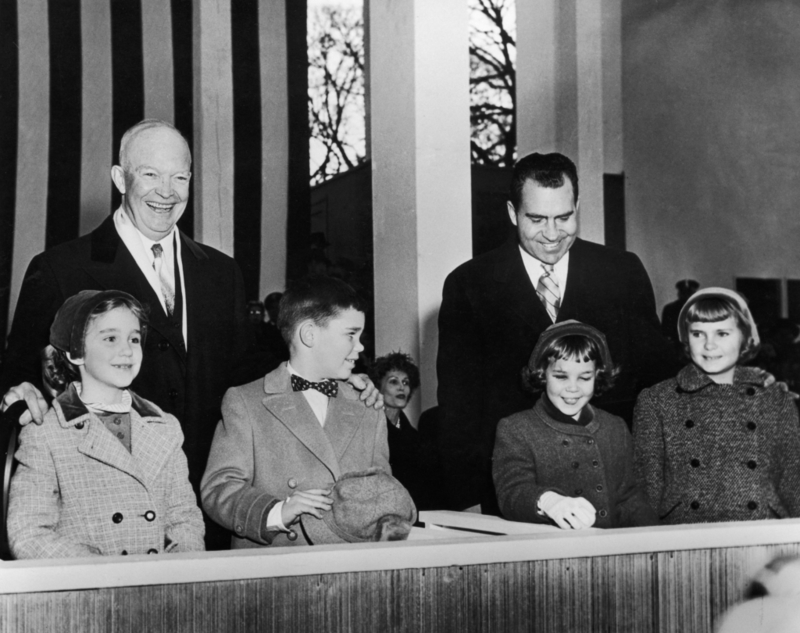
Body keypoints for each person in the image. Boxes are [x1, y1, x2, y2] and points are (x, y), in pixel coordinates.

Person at [0, 119, 381, 549]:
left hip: (206, 511)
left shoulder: (221, 272)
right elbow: (20, 375)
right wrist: (19, 392)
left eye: (179, 177)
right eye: (150, 175)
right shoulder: (59, 269)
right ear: (119, 178)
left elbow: (247, 375)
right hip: (102, 525)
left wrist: (335, 377)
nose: (167, 191)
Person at [437, 151, 676, 513]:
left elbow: (656, 380)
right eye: (536, 219)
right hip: (513, 495)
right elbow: (459, 405)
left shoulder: (622, 273)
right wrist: (467, 498)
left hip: (611, 491)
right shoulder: (469, 284)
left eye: (563, 217)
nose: (551, 234)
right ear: (512, 213)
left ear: (577, 206)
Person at [8, 290, 204, 558]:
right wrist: (102, 575)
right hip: (91, 590)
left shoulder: (164, 426)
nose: (127, 350)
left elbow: (184, 519)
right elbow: (28, 533)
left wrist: (177, 572)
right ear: (75, 352)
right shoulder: (47, 432)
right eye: (110, 338)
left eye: (134, 339)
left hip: (161, 588)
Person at [201, 276, 392, 549]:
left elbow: (384, 491)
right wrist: (277, 512)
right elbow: (219, 488)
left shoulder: (365, 404)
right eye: (351, 334)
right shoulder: (246, 401)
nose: (360, 347)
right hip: (277, 570)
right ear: (309, 334)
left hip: (352, 568)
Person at [634, 288, 800, 525]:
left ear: (744, 336)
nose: (709, 345)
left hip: (762, 530)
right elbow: (647, 488)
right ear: (685, 338)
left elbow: (792, 483)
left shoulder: (775, 398)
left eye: (722, 333)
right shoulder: (657, 400)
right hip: (686, 535)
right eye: (698, 334)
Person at [493, 321, 657, 530]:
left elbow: (630, 498)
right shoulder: (516, 428)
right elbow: (512, 493)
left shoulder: (614, 426)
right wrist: (547, 501)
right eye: (561, 376)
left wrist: (657, 537)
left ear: (597, 375)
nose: (572, 388)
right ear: (543, 374)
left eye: (584, 377)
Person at [372, 352, 443, 510]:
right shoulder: (369, 427)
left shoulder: (414, 436)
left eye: (405, 382)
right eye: (393, 382)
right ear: (378, 387)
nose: (401, 387)